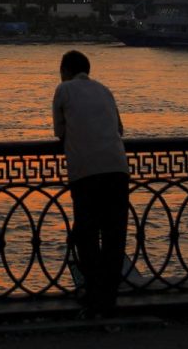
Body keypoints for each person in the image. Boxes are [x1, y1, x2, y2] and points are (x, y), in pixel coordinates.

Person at [52, 50, 130, 316]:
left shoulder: (63, 90)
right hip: (118, 169)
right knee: (114, 235)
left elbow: (59, 131)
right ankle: (110, 297)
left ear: (65, 70)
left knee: (86, 233)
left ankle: (93, 293)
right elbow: (120, 129)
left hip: (86, 172)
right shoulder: (105, 90)